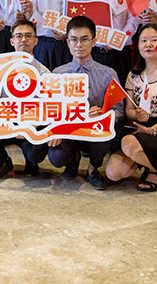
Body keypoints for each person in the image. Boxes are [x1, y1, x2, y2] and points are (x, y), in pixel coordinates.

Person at [105, 24, 157, 191]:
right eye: (143, 41)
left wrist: (152, 130)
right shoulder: (133, 75)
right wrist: (136, 115)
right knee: (113, 173)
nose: (148, 44)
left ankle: (156, 172)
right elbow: (129, 110)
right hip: (140, 129)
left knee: (128, 143)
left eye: (154, 40)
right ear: (137, 46)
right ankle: (146, 161)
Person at [48, 16, 124, 190]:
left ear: (94, 41)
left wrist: (104, 116)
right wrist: (54, 129)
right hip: (68, 131)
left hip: (95, 132)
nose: (78, 45)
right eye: (74, 40)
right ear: (67, 42)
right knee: (56, 158)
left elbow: (119, 111)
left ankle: (92, 169)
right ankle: (72, 160)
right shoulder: (57, 74)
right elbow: (50, 109)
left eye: (84, 39)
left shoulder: (108, 74)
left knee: (107, 128)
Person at [0, 19, 50, 179]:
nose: (23, 40)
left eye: (28, 36)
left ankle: (31, 161)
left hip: (32, 124)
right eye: (19, 36)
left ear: (36, 40)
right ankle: (1, 163)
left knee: (36, 151)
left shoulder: (44, 73)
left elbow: (47, 107)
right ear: (12, 41)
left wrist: (31, 125)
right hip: (6, 121)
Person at [88, 0, 139, 85]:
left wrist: (116, 41)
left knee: (119, 88)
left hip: (119, 52)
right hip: (96, 52)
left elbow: (133, 22)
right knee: (95, 87)